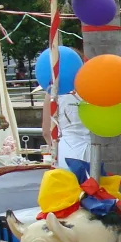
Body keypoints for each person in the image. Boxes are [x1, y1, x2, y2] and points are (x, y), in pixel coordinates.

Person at [41, 48, 90, 176]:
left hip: (65, 148)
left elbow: (46, 131)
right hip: (92, 148)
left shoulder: (52, 92)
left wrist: (55, 150)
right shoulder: (90, 88)